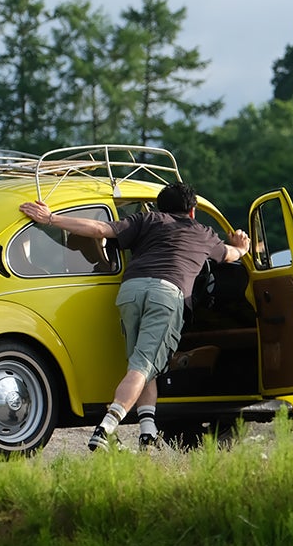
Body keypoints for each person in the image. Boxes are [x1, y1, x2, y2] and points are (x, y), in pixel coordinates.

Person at [20, 183, 249, 451]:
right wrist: (242, 246)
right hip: (166, 295)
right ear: (192, 211)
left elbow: (99, 230)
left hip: (131, 291)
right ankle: (105, 428)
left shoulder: (148, 220)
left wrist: (50, 219)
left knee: (141, 366)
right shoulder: (202, 232)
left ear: (161, 207)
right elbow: (230, 255)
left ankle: (148, 434)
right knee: (142, 367)